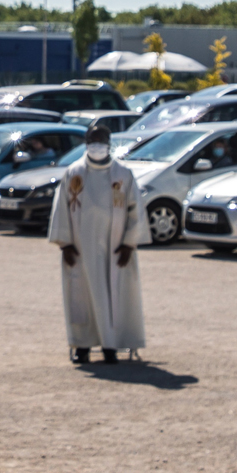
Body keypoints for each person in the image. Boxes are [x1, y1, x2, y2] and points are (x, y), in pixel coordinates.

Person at [49, 124, 145, 364]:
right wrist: (65, 244)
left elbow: (136, 211)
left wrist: (129, 244)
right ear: (86, 142)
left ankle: (111, 346)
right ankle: (82, 345)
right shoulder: (74, 173)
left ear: (110, 143)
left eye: (101, 140)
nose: (97, 145)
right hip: (81, 250)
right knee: (82, 297)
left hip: (115, 251)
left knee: (114, 298)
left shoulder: (123, 175)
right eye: (93, 140)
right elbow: (61, 208)